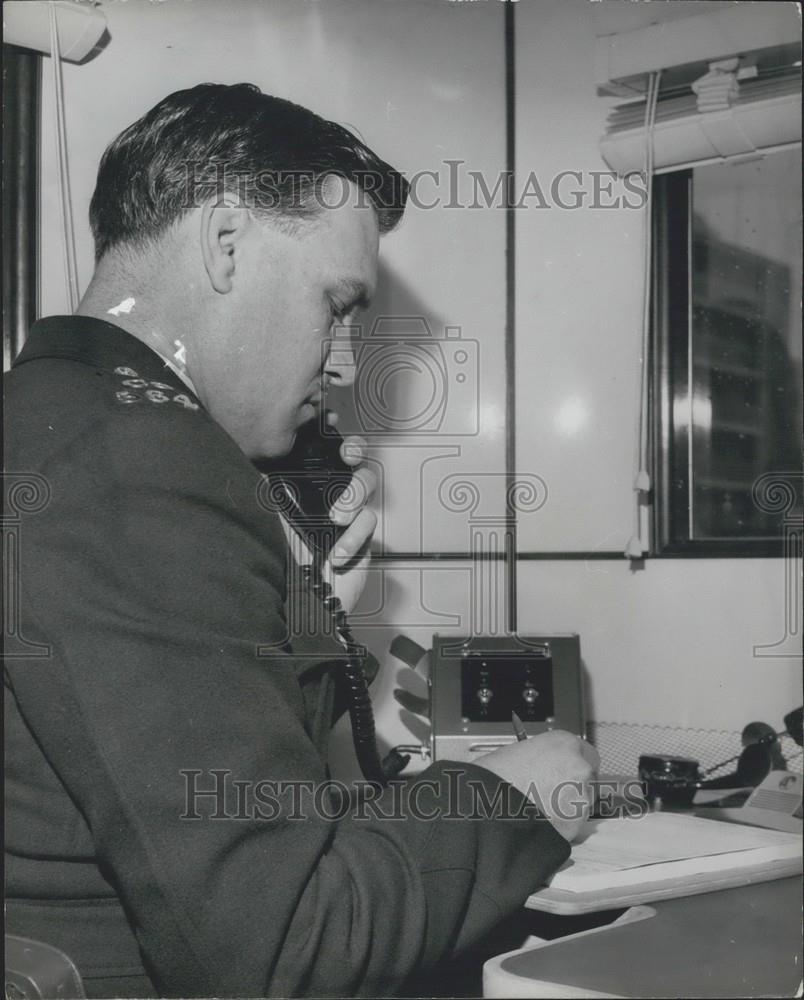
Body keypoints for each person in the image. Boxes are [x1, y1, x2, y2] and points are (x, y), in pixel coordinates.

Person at [4, 83, 598, 998]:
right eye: (339, 304)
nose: (346, 361)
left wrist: (306, 612)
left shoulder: (48, 420)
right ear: (226, 242)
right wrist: (514, 798)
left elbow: (181, 800)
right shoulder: (145, 462)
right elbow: (287, 944)